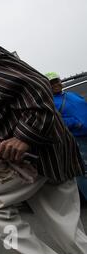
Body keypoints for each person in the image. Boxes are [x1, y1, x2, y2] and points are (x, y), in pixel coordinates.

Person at [0, 22, 87, 254]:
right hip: (53, 154)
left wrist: (24, 135)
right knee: (67, 229)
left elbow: (37, 85)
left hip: (34, 154)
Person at [46, 72, 87, 202]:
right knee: (83, 172)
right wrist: (76, 123)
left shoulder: (71, 95)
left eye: (57, 81)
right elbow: (54, 122)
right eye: (51, 83)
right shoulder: (49, 103)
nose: (56, 84)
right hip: (76, 139)